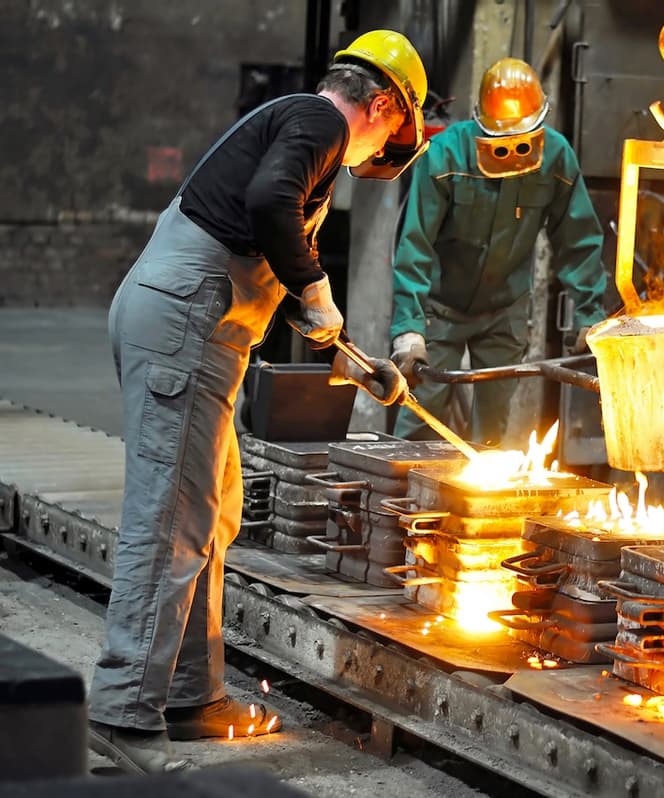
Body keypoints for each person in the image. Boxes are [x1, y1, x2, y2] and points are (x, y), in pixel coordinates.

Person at [89, 30, 428, 774]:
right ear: (380, 105)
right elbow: (270, 201)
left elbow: (263, 228)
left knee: (212, 514)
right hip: (185, 323)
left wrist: (338, 340)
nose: (379, 155)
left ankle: (191, 696)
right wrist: (314, 289)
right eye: (392, 135)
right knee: (171, 522)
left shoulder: (298, 125)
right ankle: (122, 713)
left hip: (194, 326)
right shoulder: (321, 121)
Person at [389, 57, 608, 446]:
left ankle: (476, 506)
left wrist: (590, 315)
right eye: (500, 146)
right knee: (420, 419)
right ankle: (398, 500)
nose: (513, 154)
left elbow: (577, 240)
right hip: (441, 310)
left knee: (492, 435)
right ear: (480, 126)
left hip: (504, 311)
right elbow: (414, 243)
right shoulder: (443, 155)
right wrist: (409, 327)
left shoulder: (556, 158)